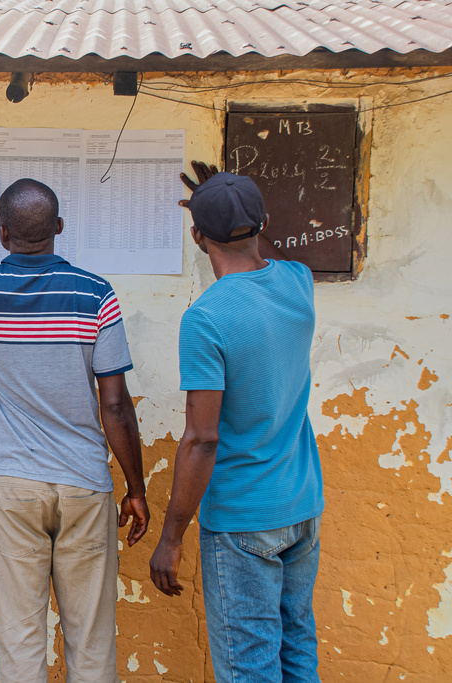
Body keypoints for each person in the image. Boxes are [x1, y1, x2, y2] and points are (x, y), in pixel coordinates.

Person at [0, 176, 150, 682]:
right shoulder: (96, 293)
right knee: (93, 645)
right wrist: (136, 490)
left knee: (19, 645)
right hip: (84, 486)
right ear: (58, 227)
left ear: (5, 235)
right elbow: (115, 405)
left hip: (14, 492)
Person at [149, 164, 325, 681]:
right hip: (301, 505)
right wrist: (233, 200)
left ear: (196, 236)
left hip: (245, 520)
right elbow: (262, 251)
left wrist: (172, 536)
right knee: (297, 652)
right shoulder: (299, 282)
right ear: (263, 221)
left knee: (250, 668)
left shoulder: (206, 318)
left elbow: (202, 439)